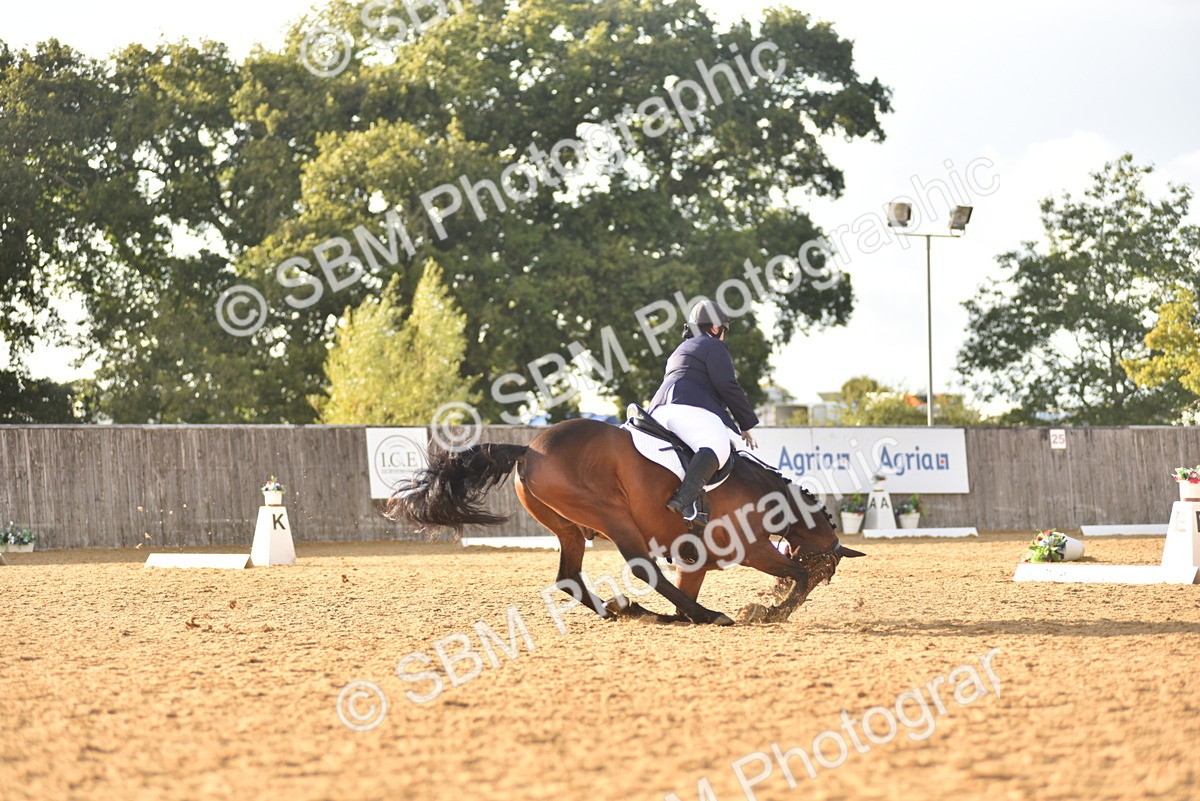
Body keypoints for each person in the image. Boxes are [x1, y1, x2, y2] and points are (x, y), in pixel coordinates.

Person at [648, 299, 759, 522]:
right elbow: (727, 384)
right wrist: (745, 423)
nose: (724, 336)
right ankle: (685, 500)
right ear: (716, 328)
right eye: (724, 330)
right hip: (687, 405)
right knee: (717, 447)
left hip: (659, 408)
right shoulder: (714, 345)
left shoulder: (680, 349)